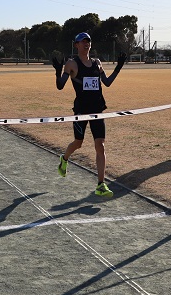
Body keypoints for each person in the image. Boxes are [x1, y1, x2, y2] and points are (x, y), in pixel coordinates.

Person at [52, 32, 126, 198]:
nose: (86, 44)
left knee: (100, 146)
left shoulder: (96, 63)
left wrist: (118, 67)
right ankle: (64, 159)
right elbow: (60, 86)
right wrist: (58, 72)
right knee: (78, 143)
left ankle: (101, 184)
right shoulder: (72, 63)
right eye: (83, 42)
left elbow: (106, 83)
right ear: (76, 45)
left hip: (97, 110)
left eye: (88, 41)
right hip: (81, 111)